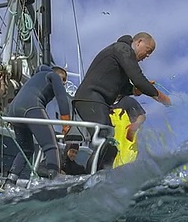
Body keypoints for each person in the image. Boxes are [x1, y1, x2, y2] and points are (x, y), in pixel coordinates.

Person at [73, 32, 171, 169]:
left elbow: (124, 87)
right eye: (148, 51)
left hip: (95, 100)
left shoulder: (120, 57)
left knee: (110, 145)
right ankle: (90, 179)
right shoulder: (123, 49)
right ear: (139, 42)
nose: (147, 56)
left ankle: (98, 178)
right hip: (90, 98)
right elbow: (138, 79)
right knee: (105, 141)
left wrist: (134, 90)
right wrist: (162, 98)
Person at [5, 65, 71, 186]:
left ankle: (10, 180)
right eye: (64, 80)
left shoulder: (36, 77)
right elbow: (62, 99)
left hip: (13, 110)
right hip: (31, 106)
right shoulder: (54, 76)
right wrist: (66, 123)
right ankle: (54, 180)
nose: (64, 83)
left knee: (26, 149)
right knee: (51, 146)